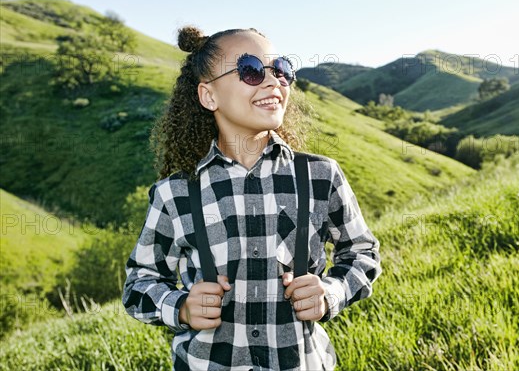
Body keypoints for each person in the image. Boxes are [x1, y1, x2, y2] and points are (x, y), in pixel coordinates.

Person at [122, 25, 382, 371]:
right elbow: (139, 283)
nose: (274, 81)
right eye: (250, 70)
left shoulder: (321, 176)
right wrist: (181, 307)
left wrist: (330, 293)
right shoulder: (176, 193)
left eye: (282, 70)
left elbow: (363, 254)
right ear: (208, 96)